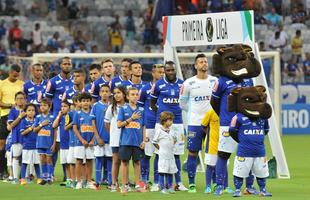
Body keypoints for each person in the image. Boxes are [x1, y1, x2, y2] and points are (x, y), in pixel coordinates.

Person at [179, 54, 217, 193]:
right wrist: (193, 112)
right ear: (195, 65)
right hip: (195, 123)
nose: (204, 64)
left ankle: (213, 183)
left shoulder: (214, 81)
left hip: (212, 123)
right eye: (201, 62)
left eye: (205, 61)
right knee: (193, 152)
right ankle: (192, 183)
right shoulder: (188, 83)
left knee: (213, 153)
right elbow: (182, 103)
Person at [150, 61, 187, 191]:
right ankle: (156, 183)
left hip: (177, 123)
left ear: (175, 70)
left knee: (176, 153)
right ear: (164, 71)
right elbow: (152, 103)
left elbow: (185, 101)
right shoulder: (158, 85)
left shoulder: (182, 84)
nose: (171, 72)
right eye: (168, 70)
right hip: (161, 125)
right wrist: (162, 117)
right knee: (159, 153)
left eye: (172, 70)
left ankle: (178, 183)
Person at [44, 56, 73, 179]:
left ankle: (68, 176)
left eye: (69, 64)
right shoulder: (53, 81)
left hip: (71, 119)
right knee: (54, 146)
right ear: (61, 66)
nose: (67, 66)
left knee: (68, 147)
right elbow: (48, 100)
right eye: (65, 64)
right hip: (58, 118)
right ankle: (50, 174)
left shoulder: (74, 80)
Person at [138, 63, 165, 190]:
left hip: (161, 125)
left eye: (163, 72)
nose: (161, 74)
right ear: (153, 73)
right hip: (149, 125)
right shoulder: (145, 89)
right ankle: (144, 180)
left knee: (159, 153)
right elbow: (140, 106)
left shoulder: (165, 88)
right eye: (159, 72)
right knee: (147, 154)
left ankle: (156, 181)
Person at [117, 87, 146, 194]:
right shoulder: (123, 109)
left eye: (136, 94)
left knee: (137, 162)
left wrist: (144, 141)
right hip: (125, 141)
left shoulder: (142, 110)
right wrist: (131, 119)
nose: (135, 96)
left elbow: (143, 126)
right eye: (132, 94)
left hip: (137, 142)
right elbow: (119, 124)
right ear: (128, 96)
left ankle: (138, 185)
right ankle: (124, 185)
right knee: (124, 163)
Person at [0, 64, 23, 179]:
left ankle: (20, 172)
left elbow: (24, 100)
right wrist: (11, 105)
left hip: (19, 116)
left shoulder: (21, 84)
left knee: (20, 143)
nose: (17, 74)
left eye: (19, 72)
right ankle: (3, 171)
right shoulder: (1, 84)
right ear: (10, 71)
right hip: (4, 116)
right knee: (2, 144)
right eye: (16, 72)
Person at [105, 85, 127, 192]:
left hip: (126, 138)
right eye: (115, 93)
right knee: (115, 160)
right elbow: (107, 123)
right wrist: (112, 134)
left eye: (119, 92)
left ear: (124, 94)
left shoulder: (128, 106)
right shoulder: (111, 107)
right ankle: (114, 183)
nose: (116, 95)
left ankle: (125, 183)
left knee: (125, 161)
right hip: (115, 139)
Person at [73, 92, 96, 190]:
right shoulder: (77, 114)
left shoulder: (93, 114)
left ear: (90, 102)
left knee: (90, 161)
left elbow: (95, 129)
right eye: (83, 101)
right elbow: (75, 128)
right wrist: (82, 140)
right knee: (79, 161)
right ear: (80, 103)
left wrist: (92, 140)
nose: (85, 103)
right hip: (80, 143)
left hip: (90, 143)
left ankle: (89, 181)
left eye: (87, 101)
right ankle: (79, 181)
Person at [91, 85, 111, 189]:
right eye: (102, 91)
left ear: (110, 93)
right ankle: (97, 181)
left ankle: (109, 180)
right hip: (99, 138)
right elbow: (93, 123)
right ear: (99, 93)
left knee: (109, 159)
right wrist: (97, 137)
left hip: (110, 139)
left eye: (107, 91)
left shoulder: (113, 106)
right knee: (98, 159)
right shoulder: (95, 106)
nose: (104, 93)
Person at [152, 111, 178, 194]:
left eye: (172, 120)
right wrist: (160, 148)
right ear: (163, 121)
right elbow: (154, 141)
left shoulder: (171, 130)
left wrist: (173, 141)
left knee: (170, 171)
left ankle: (170, 187)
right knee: (162, 171)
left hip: (170, 154)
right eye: (169, 120)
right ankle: (162, 188)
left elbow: (174, 139)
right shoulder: (159, 131)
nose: (171, 122)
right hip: (163, 155)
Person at [33, 98, 56, 185]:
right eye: (41, 105)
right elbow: (34, 130)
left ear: (49, 107)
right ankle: (45, 177)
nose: (42, 107)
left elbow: (55, 131)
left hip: (49, 142)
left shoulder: (52, 117)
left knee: (49, 159)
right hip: (40, 142)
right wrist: (42, 124)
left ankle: (50, 177)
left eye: (45, 105)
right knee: (42, 159)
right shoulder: (38, 117)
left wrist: (54, 143)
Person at [19, 103, 42, 185]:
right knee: (25, 162)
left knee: (36, 163)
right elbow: (22, 133)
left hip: (36, 145)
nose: (31, 112)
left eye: (33, 110)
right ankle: (22, 179)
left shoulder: (37, 120)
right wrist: (30, 128)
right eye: (29, 110)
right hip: (27, 146)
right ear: (25, 112)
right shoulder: (23, 121)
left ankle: (39, 178)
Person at [7, 91, 27, 184]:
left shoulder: (29, 110)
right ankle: (15, 178)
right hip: (17, 138)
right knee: (15, 157)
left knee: (26, 158)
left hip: (28, 138)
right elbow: (11, 125)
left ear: (25, 100)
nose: (20, 100)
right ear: (15, 100)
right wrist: (19, 117)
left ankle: (25, 177)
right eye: (18, 98)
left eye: (22, 98)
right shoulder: (13, 111)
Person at [52, 100, 71, 186]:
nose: (63, 108)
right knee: (66, 163)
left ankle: (74, 179)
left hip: (70, 143)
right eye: (62, 106)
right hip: (63, 143)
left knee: (71, 162)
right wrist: (59, 116)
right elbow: (54, 126)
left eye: (65, 106)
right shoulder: (61, 117)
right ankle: (68, 179)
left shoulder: (71, 115)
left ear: (69, 108)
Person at [201, 109, 219, 193]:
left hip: (223, 144)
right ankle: (208, 186)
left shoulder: (227, 112)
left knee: (220, 165)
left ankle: (216, 184)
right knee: (210, 166)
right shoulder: (211, 112)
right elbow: (203, 125)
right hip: (211, 144)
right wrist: (210, 133)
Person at [65, 94, 81, 188]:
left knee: (82, 162)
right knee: (72, 162)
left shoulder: (86, 112)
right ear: (75, 102)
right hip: (72, 142)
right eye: (80, 101)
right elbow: (66, 128)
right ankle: (73, 180)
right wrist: (74, 122)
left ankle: (82, 180)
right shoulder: (70, 114)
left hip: (81, 142)